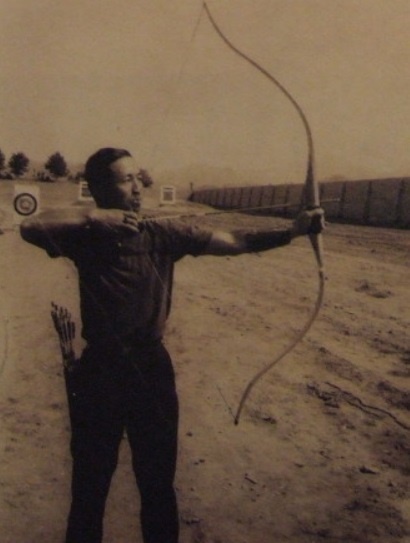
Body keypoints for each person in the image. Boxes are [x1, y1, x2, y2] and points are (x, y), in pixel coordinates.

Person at [20, 147, 324, 543]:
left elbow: (231, 238)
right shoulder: (84, 236)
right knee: (89, 489)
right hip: (100, 371)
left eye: (138, 178)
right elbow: (29, 225)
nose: (137, 186)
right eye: (125, 179)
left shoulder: (162, 232)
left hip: (150, 368)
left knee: (157, 485)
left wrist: (292, 232)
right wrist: (96, 218)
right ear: (97, 188)